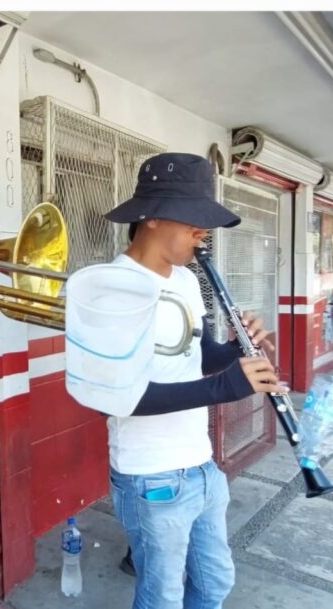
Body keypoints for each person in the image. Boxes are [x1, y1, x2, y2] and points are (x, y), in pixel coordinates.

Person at [100, 152, 285, 609]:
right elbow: (117, 397)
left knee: (214, 584)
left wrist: (238, 350)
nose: (204, 231)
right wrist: (226, 388)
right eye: (193, 219)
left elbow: (198, 356)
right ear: (152, 216)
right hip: (151, 475)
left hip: (201, 464)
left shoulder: (185, 280)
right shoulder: (109, 286)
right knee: (161, 598)